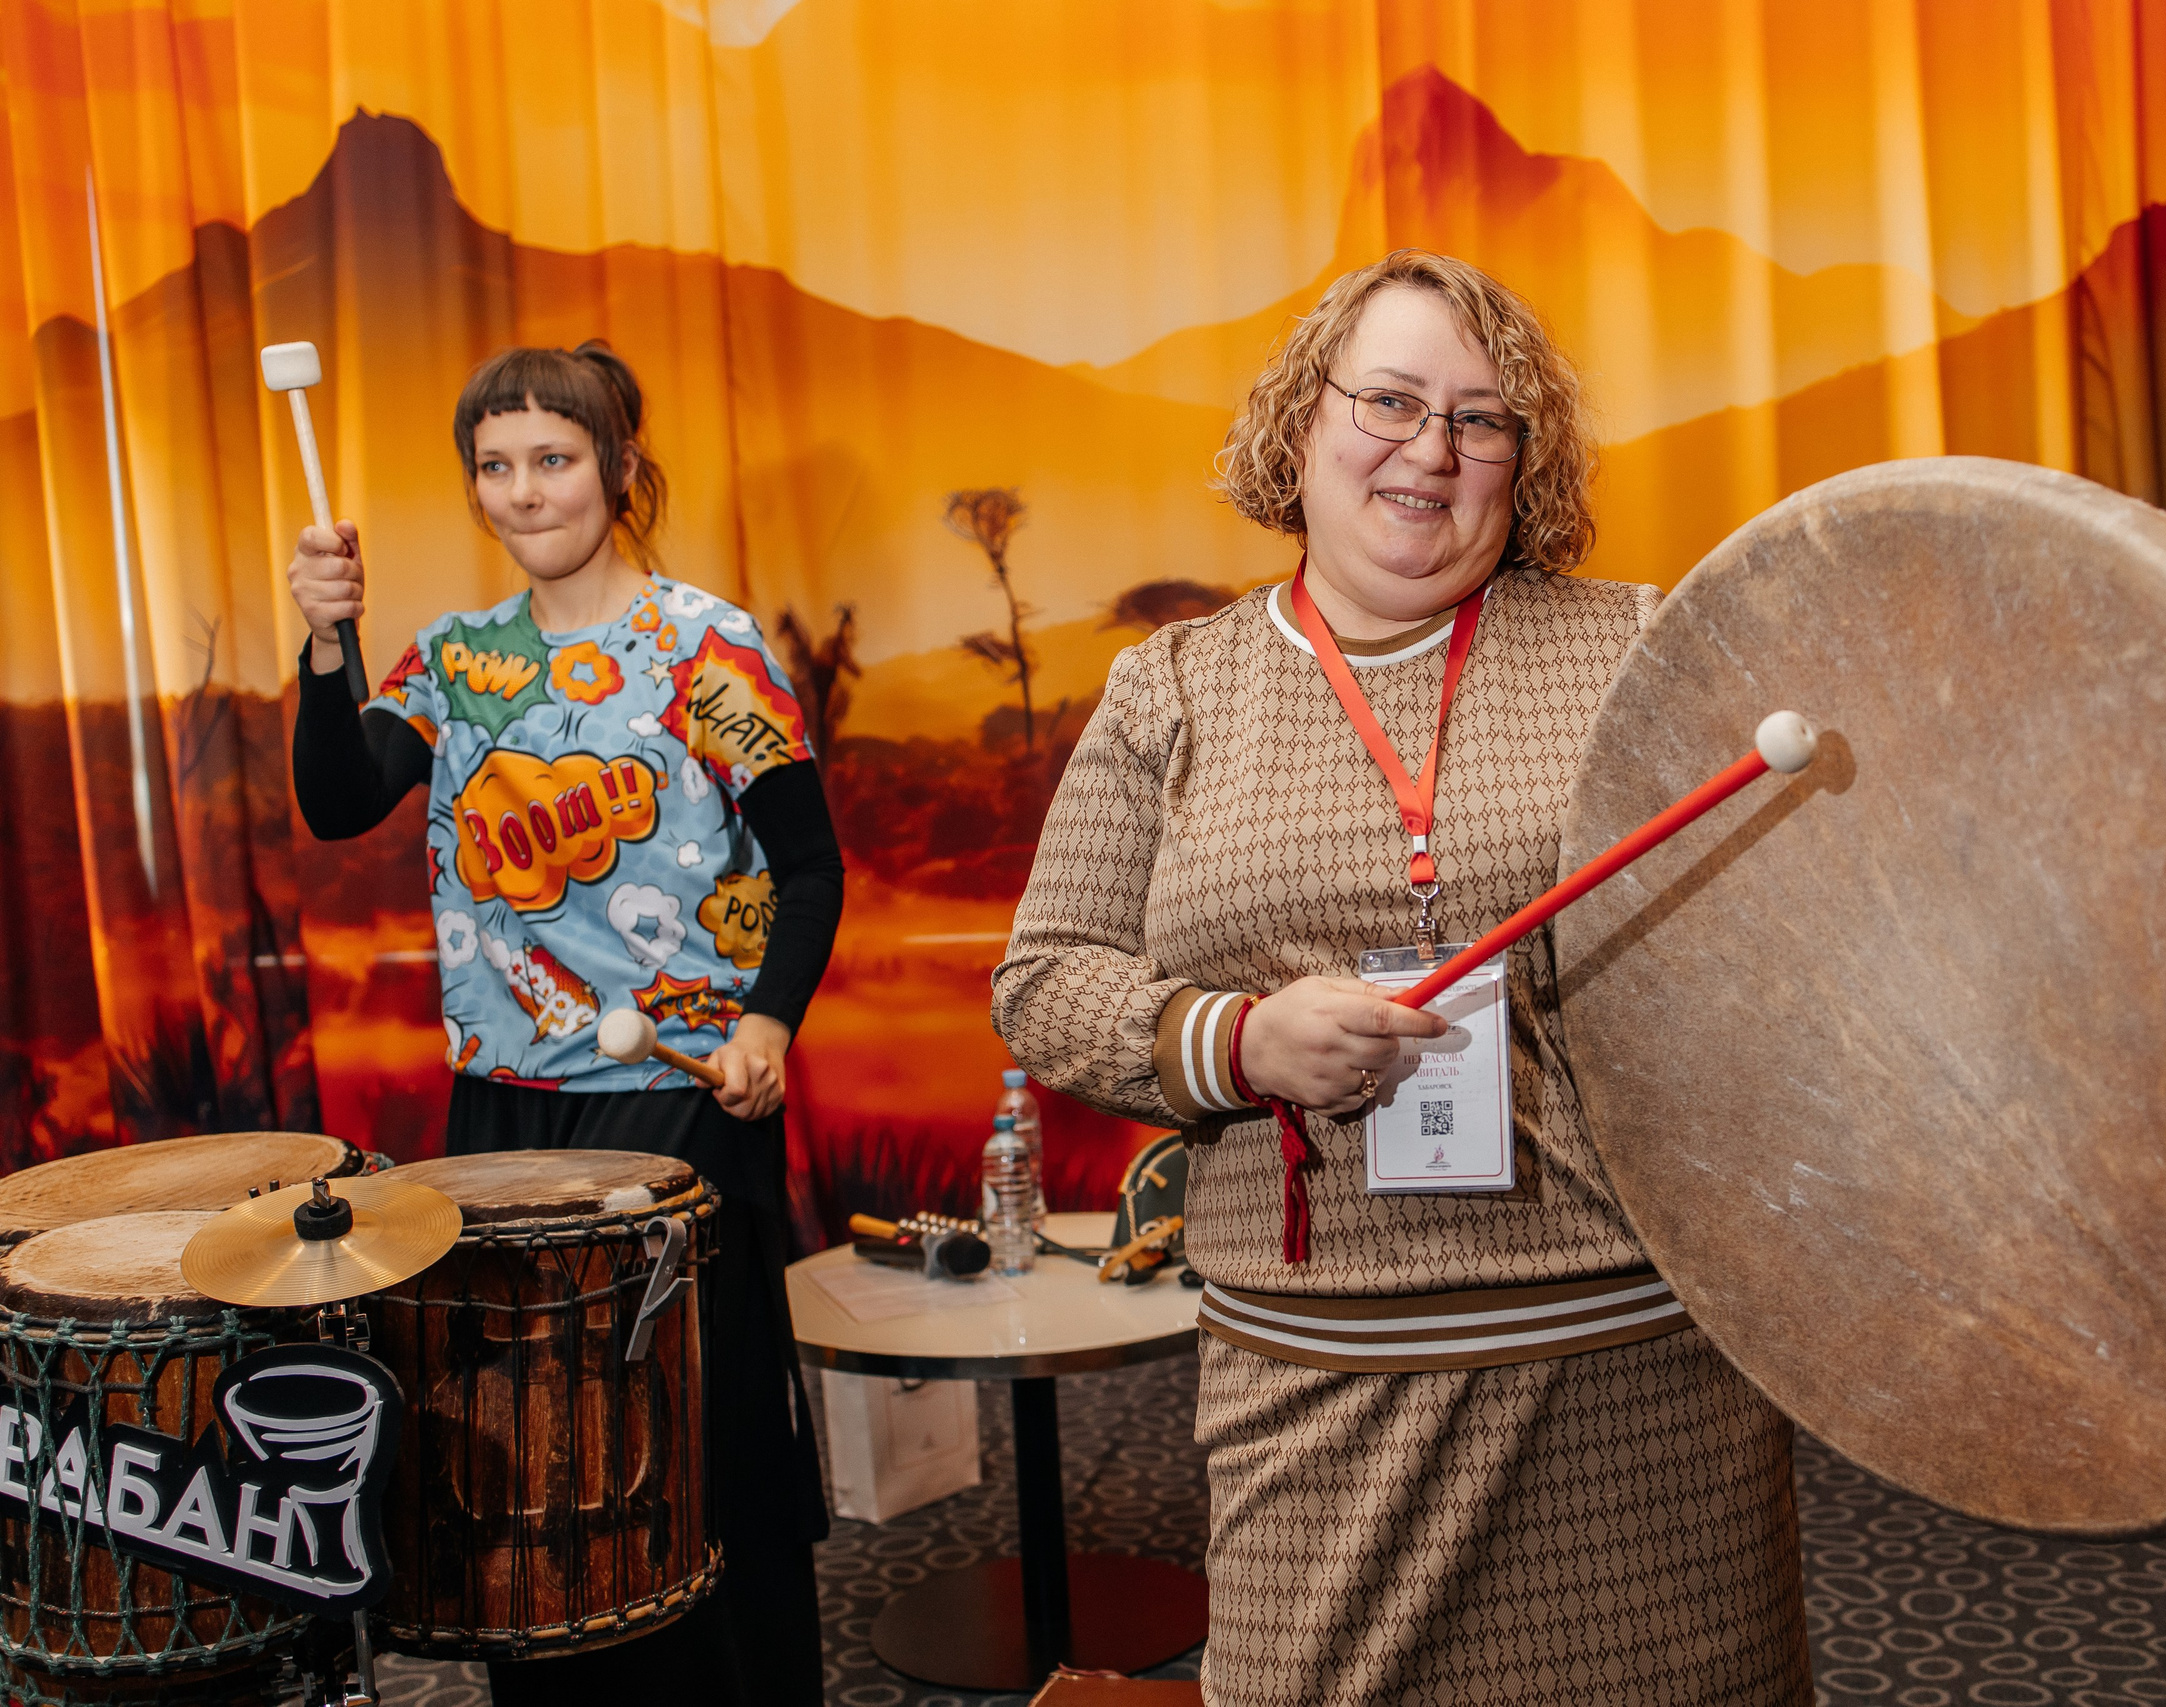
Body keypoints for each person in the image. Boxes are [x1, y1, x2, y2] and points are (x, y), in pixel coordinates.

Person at [995, 252, 1812, 1705]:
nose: (1431, 448)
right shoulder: (1172, 690)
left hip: (1635, 1390)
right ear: (1301, 426)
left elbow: (1784, 960)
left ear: (1525, 459)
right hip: (1320, 1405)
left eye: (1482, 419)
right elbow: (1046, 983)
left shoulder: (1636, 645)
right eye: (1389, 399)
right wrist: (1238, 1042)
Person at [287, 341, 835, 1707]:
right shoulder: (459, 664)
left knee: (694, 1446)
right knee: (536, 1457)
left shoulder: (709, 647)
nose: (525, 492)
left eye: (554, 458)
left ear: (619, 470)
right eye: (496, 466)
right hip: (505, 1112)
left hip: (681, 1097)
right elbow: (341, 796)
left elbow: (810, 864)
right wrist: (322, 645)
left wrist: (768, 1024)